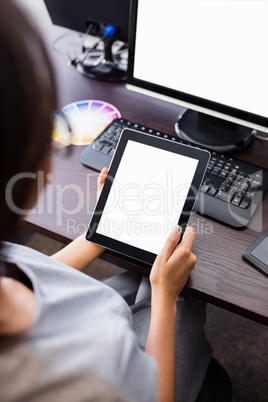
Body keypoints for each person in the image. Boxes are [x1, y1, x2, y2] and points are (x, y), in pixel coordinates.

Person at [0, 1, 232, 401]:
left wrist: (97, 236)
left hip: (83, 320)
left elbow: (30, 272)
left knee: (148, 273)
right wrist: (164, 298)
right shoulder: (90, 364)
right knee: (181, 291)